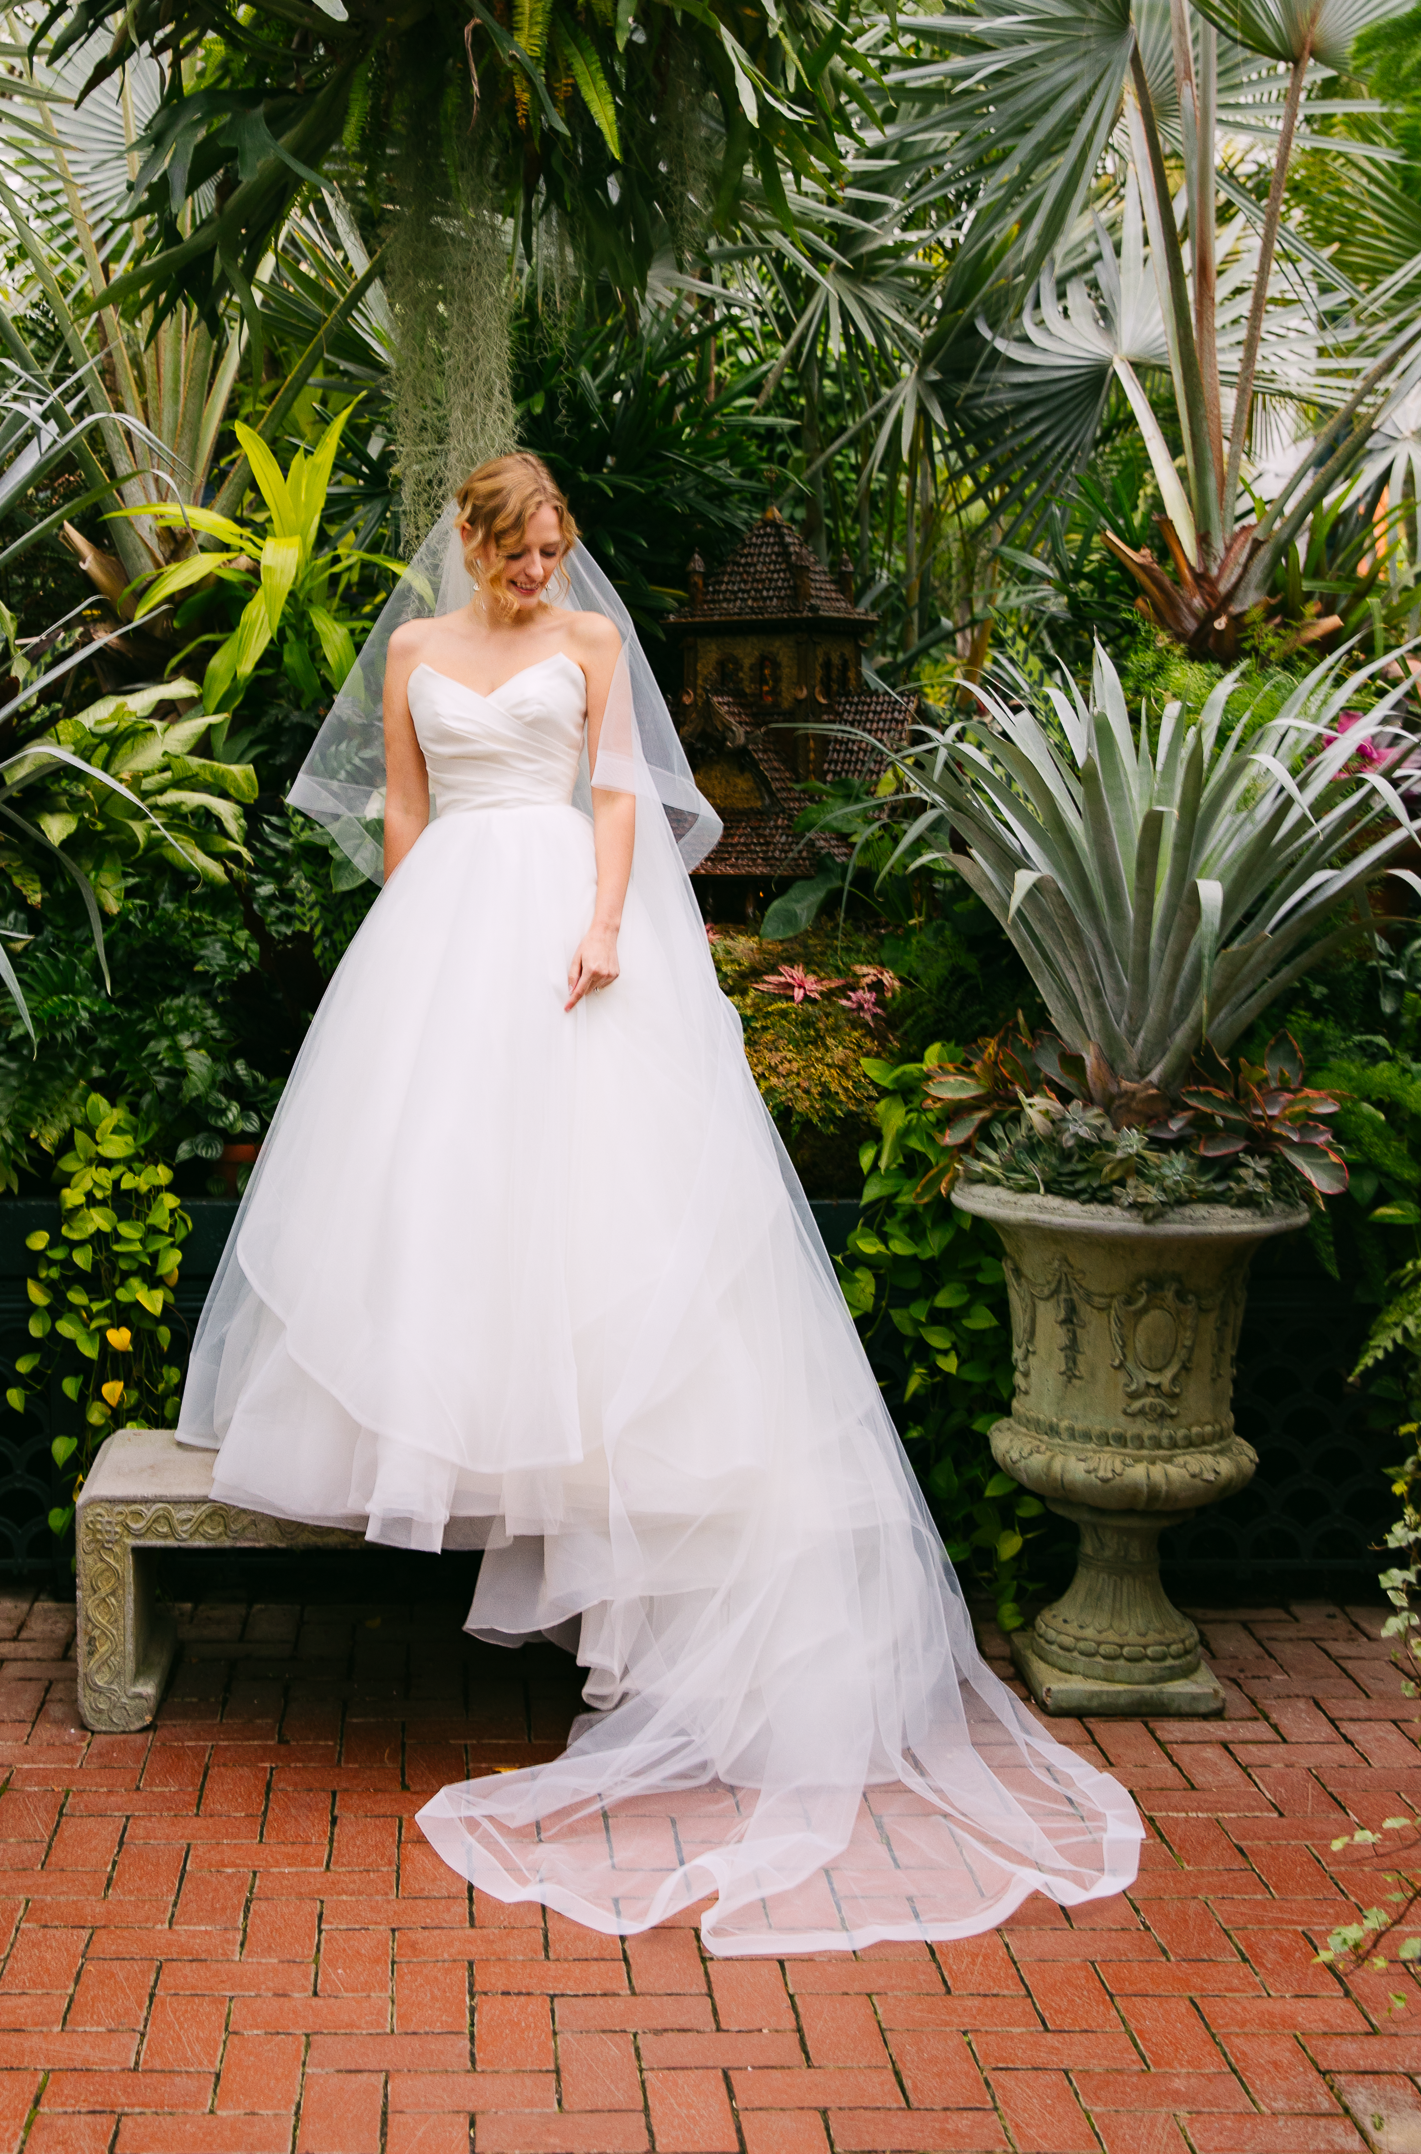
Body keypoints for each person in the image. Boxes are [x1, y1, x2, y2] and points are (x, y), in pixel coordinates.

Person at [176, 452, 1140, 1954]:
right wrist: (404, 953)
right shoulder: (421, 653)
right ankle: (466, 1434)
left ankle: (645, 1577)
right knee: (439, 1196)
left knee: (601, 1211)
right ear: (476, 544)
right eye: (523, 549)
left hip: (570, 915)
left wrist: (607, 926)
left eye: (559, 548)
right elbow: (402, 819)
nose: (543, 572)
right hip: (444, 935)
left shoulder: (593, 646)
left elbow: (620, 791)